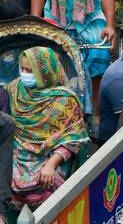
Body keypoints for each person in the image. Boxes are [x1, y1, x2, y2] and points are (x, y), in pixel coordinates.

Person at [7, 47, 88, 210]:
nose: (24, 74)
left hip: (49, 156)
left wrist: (51, 164)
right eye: (22, 69)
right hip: (17, 154)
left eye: (30, 70)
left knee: (45, 179)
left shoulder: (64, 100)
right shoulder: (14, 89)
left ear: (44, 73)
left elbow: (72, 139)